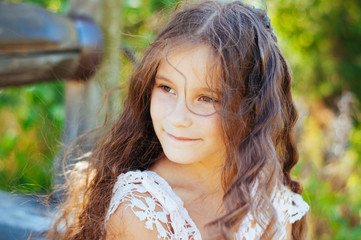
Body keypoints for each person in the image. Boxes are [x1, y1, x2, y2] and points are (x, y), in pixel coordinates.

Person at [47, 1, 310, 239]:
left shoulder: (265, 192)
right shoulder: (142, 209)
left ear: (252, 106)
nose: (177, 118)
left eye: (207, 98)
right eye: (166, 88)